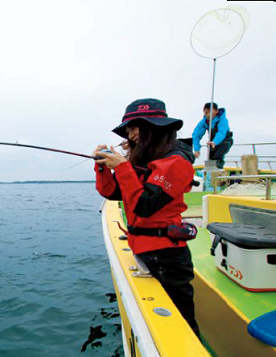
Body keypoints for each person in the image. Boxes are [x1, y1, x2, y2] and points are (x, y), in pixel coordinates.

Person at [93, 98, 200, 336]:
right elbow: (114, 192)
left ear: (155, 127)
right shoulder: (146, 161)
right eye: (128, 129)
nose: (130, 135)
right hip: (145, 248)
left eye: (135, 127)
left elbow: (145, 205)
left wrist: (122, 167)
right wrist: (102, 166)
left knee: (181, 322)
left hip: (167, 256)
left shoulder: (176, 162)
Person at [192, 102, 233, 169]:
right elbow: (196, 135)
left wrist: (215, 142)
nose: (208, 115)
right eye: (206, 113)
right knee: (210, 159)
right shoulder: (204, 122)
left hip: (225, 141)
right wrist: (196, 149)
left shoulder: (223, 120)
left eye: (210, 112)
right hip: (212, 142)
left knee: (217, 156)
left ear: (216, 111)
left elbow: (221, 132)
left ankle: (219, 172)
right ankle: (210, 175)